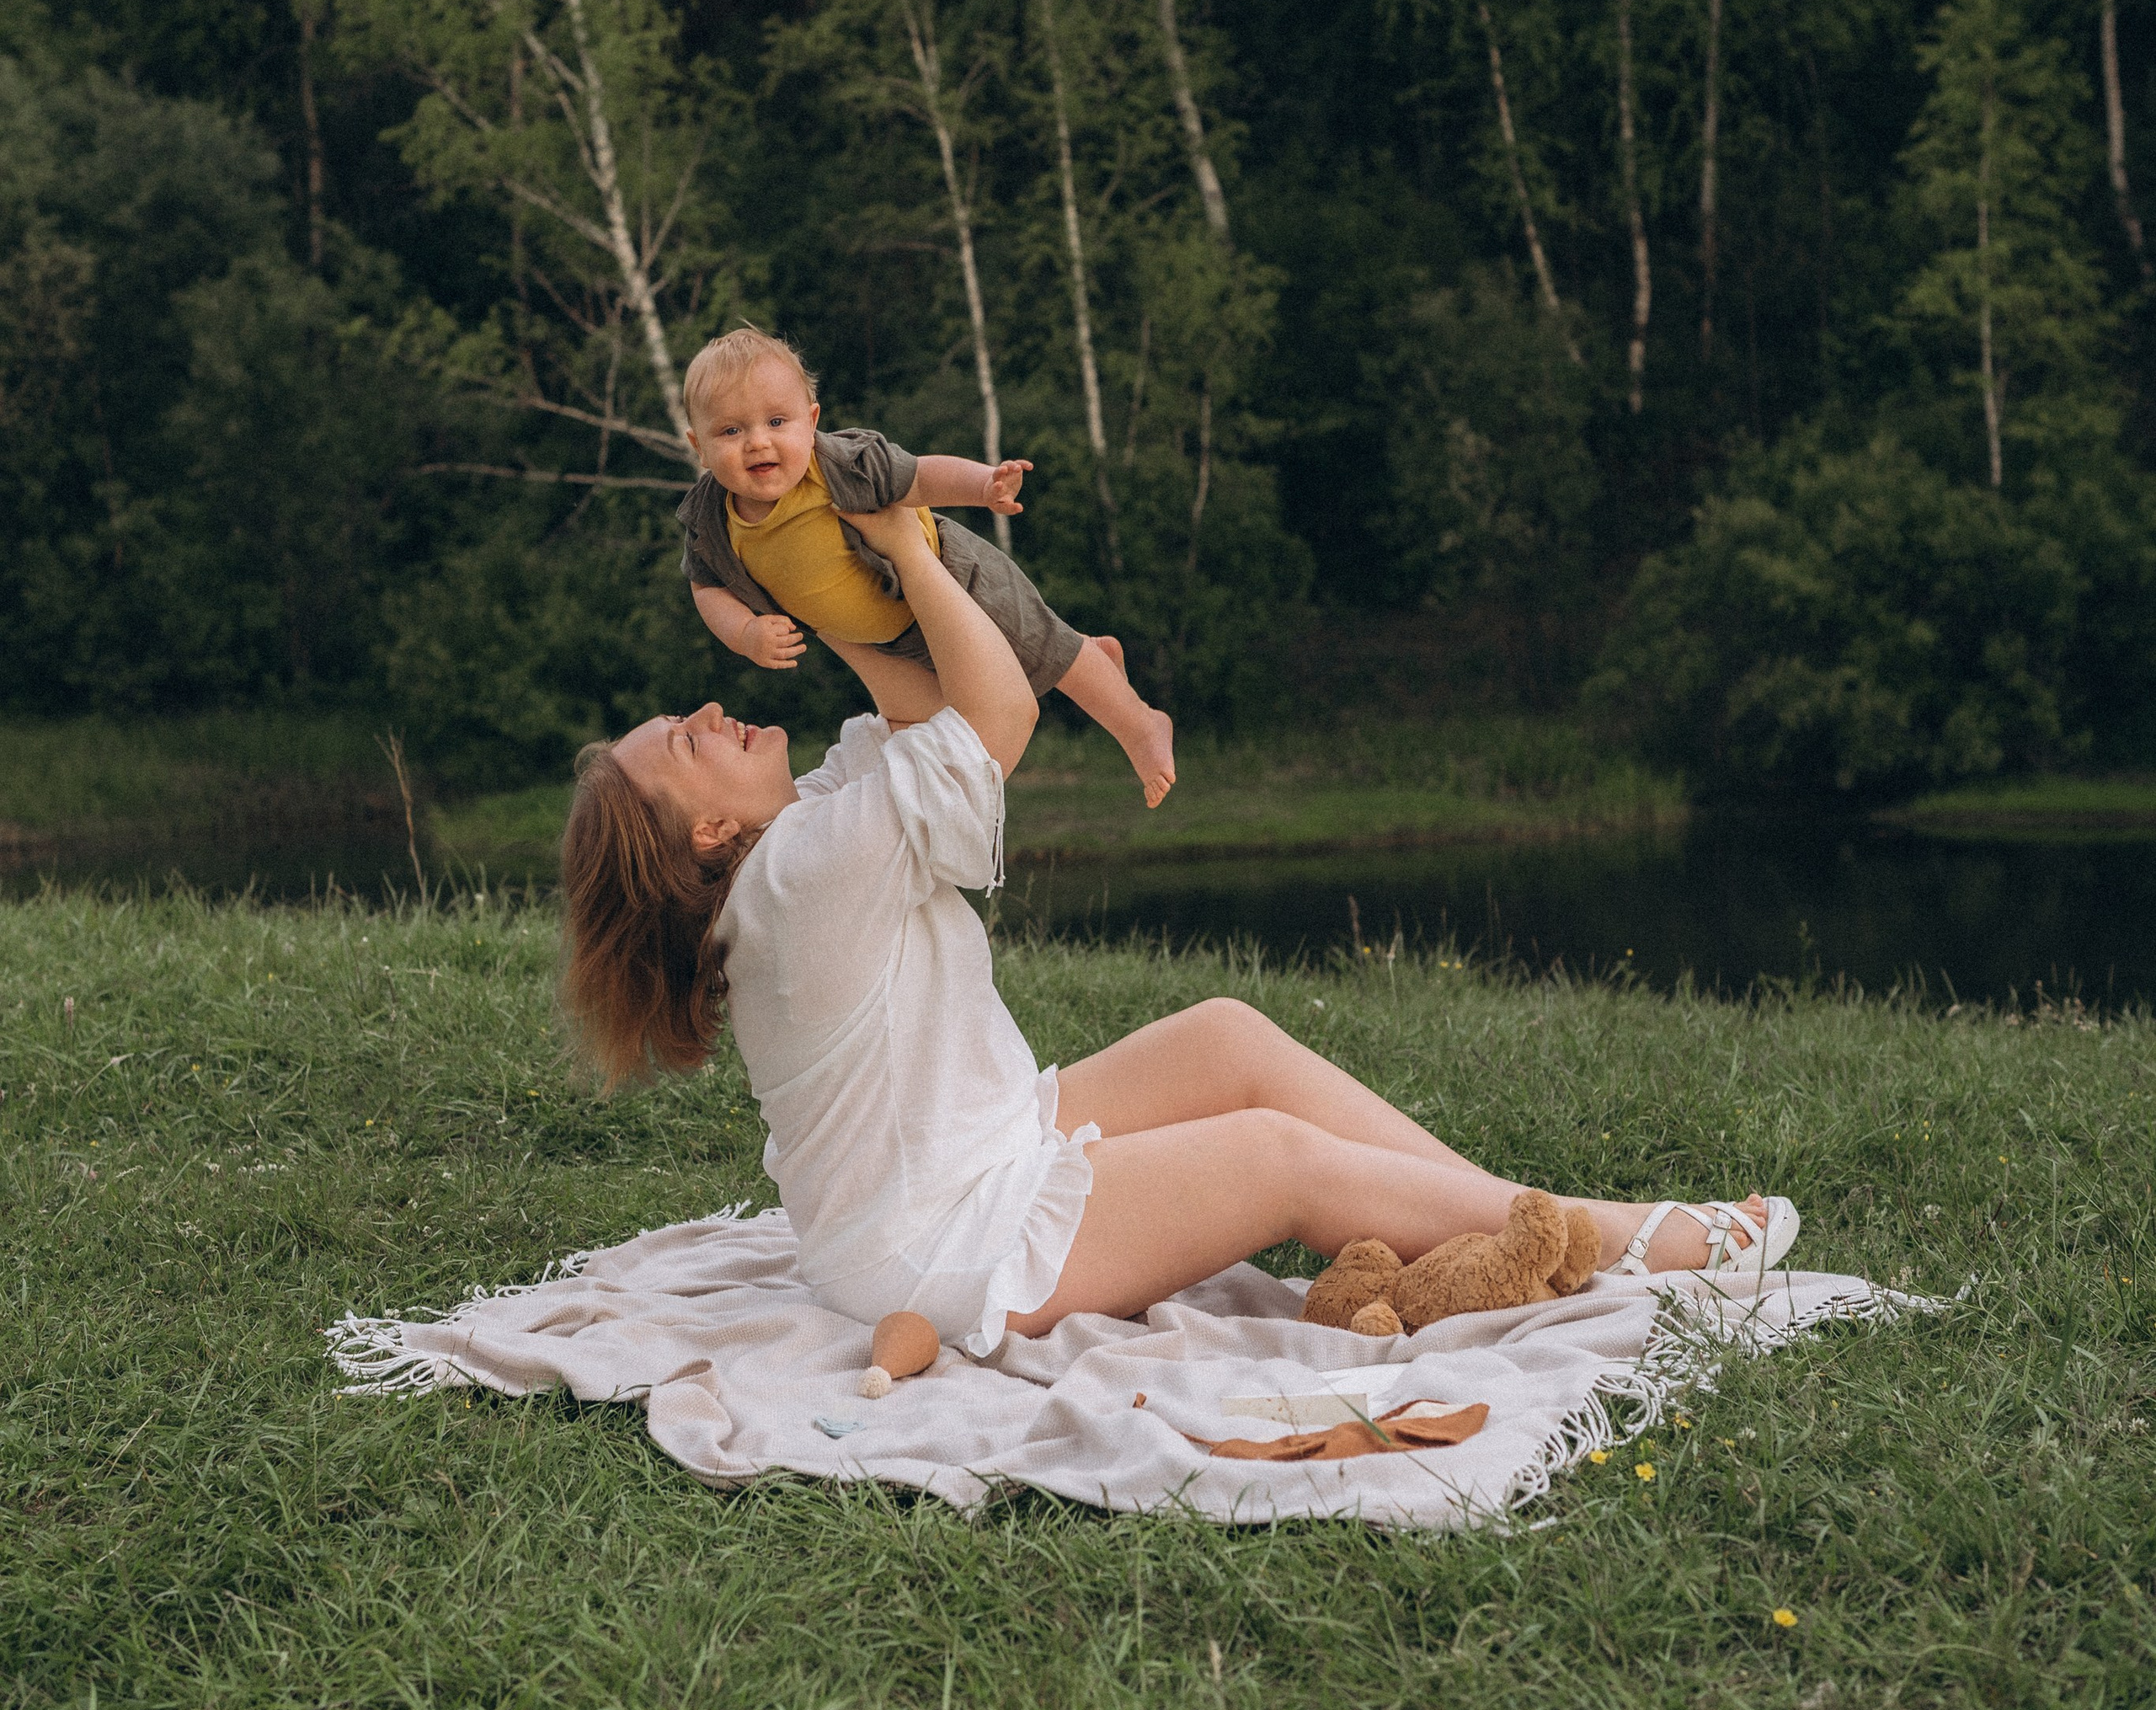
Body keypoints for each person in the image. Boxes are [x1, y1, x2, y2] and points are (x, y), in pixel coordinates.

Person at [561, 496, 1796, 1356]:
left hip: (975, 1149)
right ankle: (1619, 1240)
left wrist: (815, 580)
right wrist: (906, 552)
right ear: (707, 834)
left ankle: (1517, 1221)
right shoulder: (803, 874)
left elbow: (918, 711)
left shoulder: (800, 838)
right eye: (683, 742)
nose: (709, 711)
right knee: (1272, 1157)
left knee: (1226, 1037)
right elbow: (992, 715)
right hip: (945, 1243)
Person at [675, 324, 1176, 807]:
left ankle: (1139, 724)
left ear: (811, 421)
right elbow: (707, 588)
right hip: (888, 638)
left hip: (950, 576)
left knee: (1044, 652)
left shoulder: (843, 465)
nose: (757, 442)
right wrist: (745, 633)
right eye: (731, 430)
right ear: (700, 447)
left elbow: (920, 477)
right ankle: (1092, 657)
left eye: (776, 423)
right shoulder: (708, 520)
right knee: (956, 716)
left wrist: (984, 487)